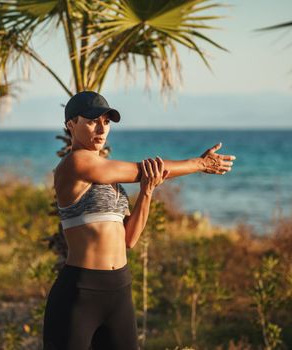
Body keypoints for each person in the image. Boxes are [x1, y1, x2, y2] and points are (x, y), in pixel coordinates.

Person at [42, 91, 236, 350]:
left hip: (119, 291)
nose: (101, 128)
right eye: (91, 121)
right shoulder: (74, 164)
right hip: (80, 293)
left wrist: (147, 191)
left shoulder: (111, 179)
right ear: (71, 125)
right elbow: (142, 170)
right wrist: (198, 163)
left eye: (106, 122)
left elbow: (129, 240)